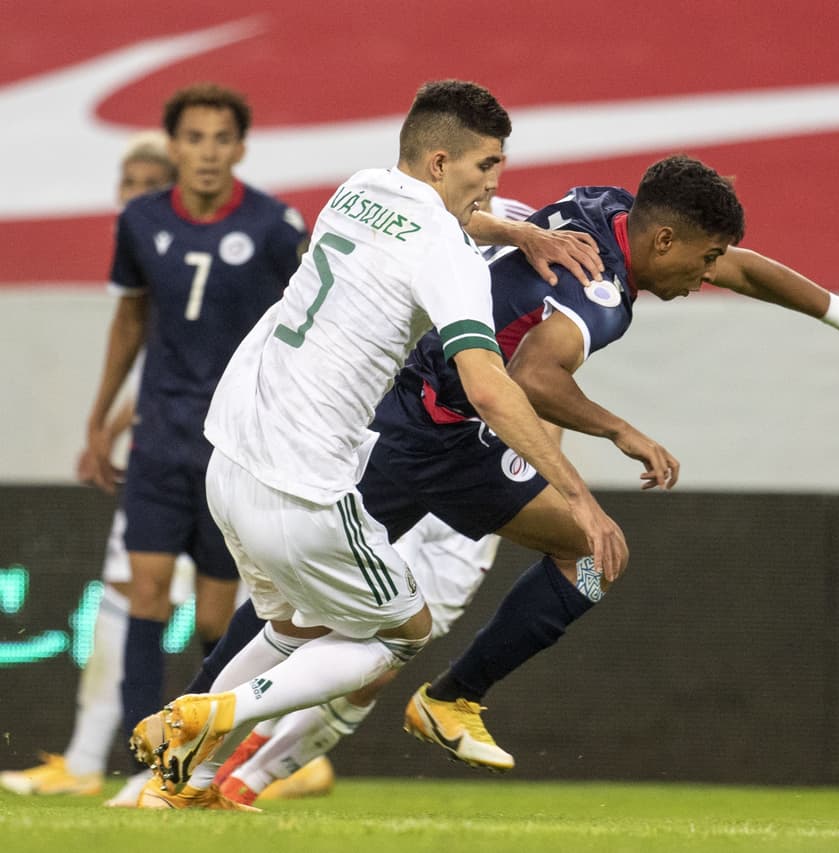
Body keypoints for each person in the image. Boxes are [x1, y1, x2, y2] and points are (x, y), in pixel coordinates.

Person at [200, 154, 839, 805]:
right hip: (428, 433)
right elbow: (534, 374)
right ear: (665, 243)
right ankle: (204, 746)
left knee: (586, 558)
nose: (706, 277)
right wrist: (621, 431)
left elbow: (746, 270)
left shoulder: (609, 208)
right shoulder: (599, 296)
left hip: (456, 434)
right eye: (704, 260)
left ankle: (437, 700)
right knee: (312, 607)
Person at [127, 79, 626, 811]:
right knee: (401, 631)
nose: (495, 185)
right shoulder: (446, 254)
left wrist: (517, 231)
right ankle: (213, 715)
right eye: (484, 167)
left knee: (299, 624)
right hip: (303, 480)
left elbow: (447, 229)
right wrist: (578, 495)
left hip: (229, 456)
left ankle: (182, 781)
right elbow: (488, 386)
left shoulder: (357, 190)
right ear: (437, 161)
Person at [79, 85, 311, 775]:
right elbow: (130, 319)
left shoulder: (275, 227)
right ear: (172, 145)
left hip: (235, 447)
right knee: (145, 590)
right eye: (194, 138)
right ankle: (142, 754)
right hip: (160, 440)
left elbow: (302, 329)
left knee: (217, 618)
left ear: (240, 148)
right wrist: (99, 420)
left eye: (220, 139)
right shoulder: (140, 220)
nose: (207, 153)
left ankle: (198, 745)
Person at [0, 132, 188, 801]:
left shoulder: (183, 261)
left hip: (201, 462)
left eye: (146, 183)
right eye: (126, 180)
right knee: (128, 598)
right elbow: (160, 364)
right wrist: (111, 426)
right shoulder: (149, 261)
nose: (131, 195)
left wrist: (111, 425)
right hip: (163, 456)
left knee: (222, 610)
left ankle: (259, 756)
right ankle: (89, 760)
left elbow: (184, 365)